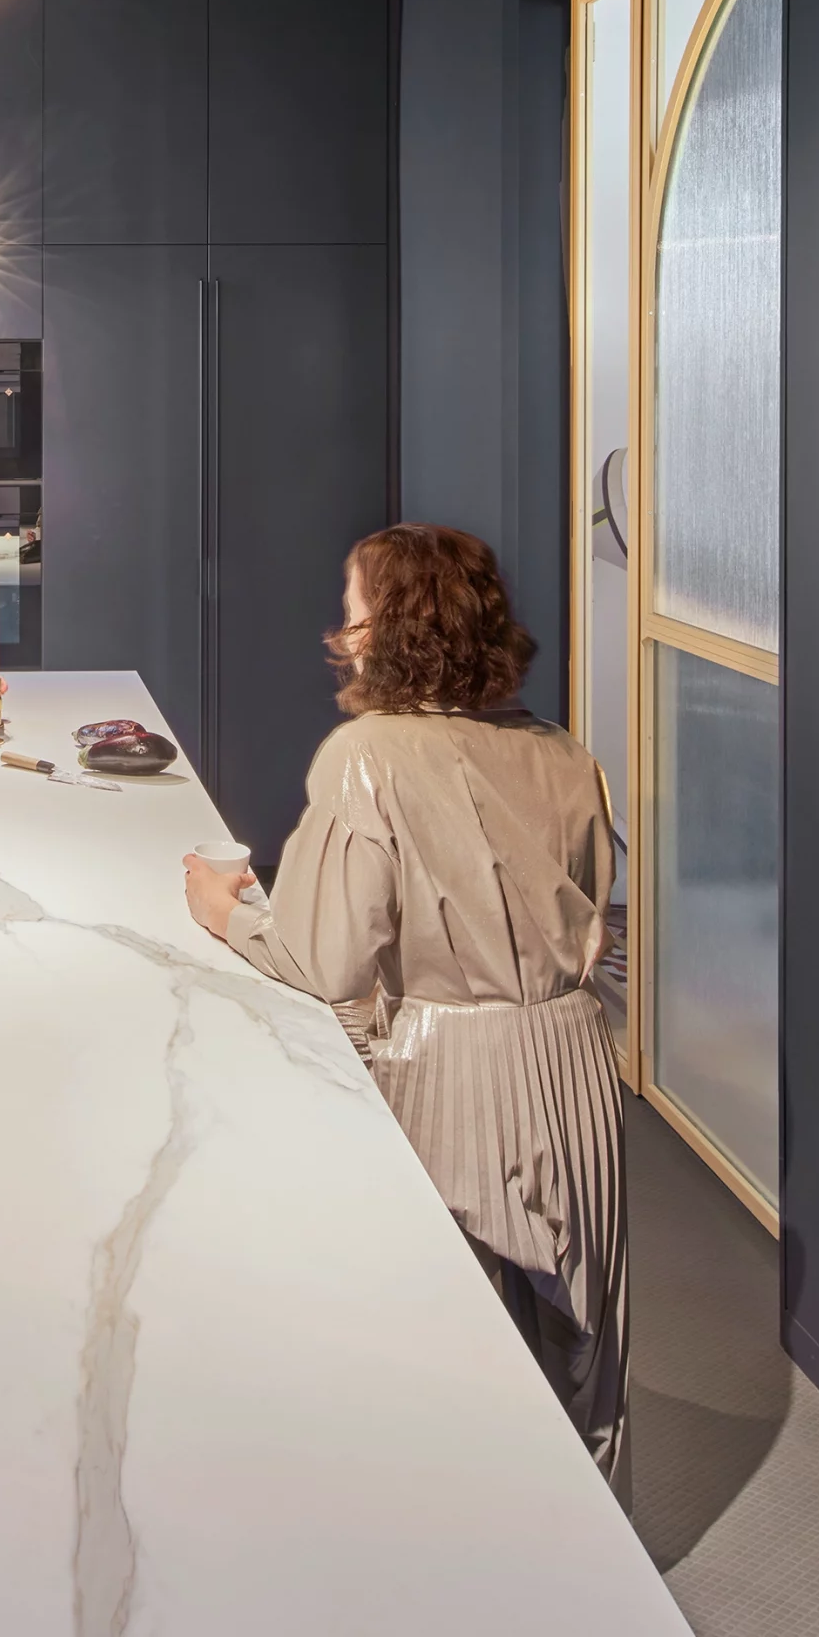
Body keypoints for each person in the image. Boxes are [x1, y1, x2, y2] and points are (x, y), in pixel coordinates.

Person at [181, 522, 629, 1495]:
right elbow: (594, 923)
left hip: (447, 1066)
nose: (339, 625)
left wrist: (224, 912)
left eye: (351, 606)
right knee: (588, 1367)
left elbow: (327, 958)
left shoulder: (366, 755)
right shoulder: (564, 755)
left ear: (388, 626)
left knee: (430, 1353)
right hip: (575, 1059)